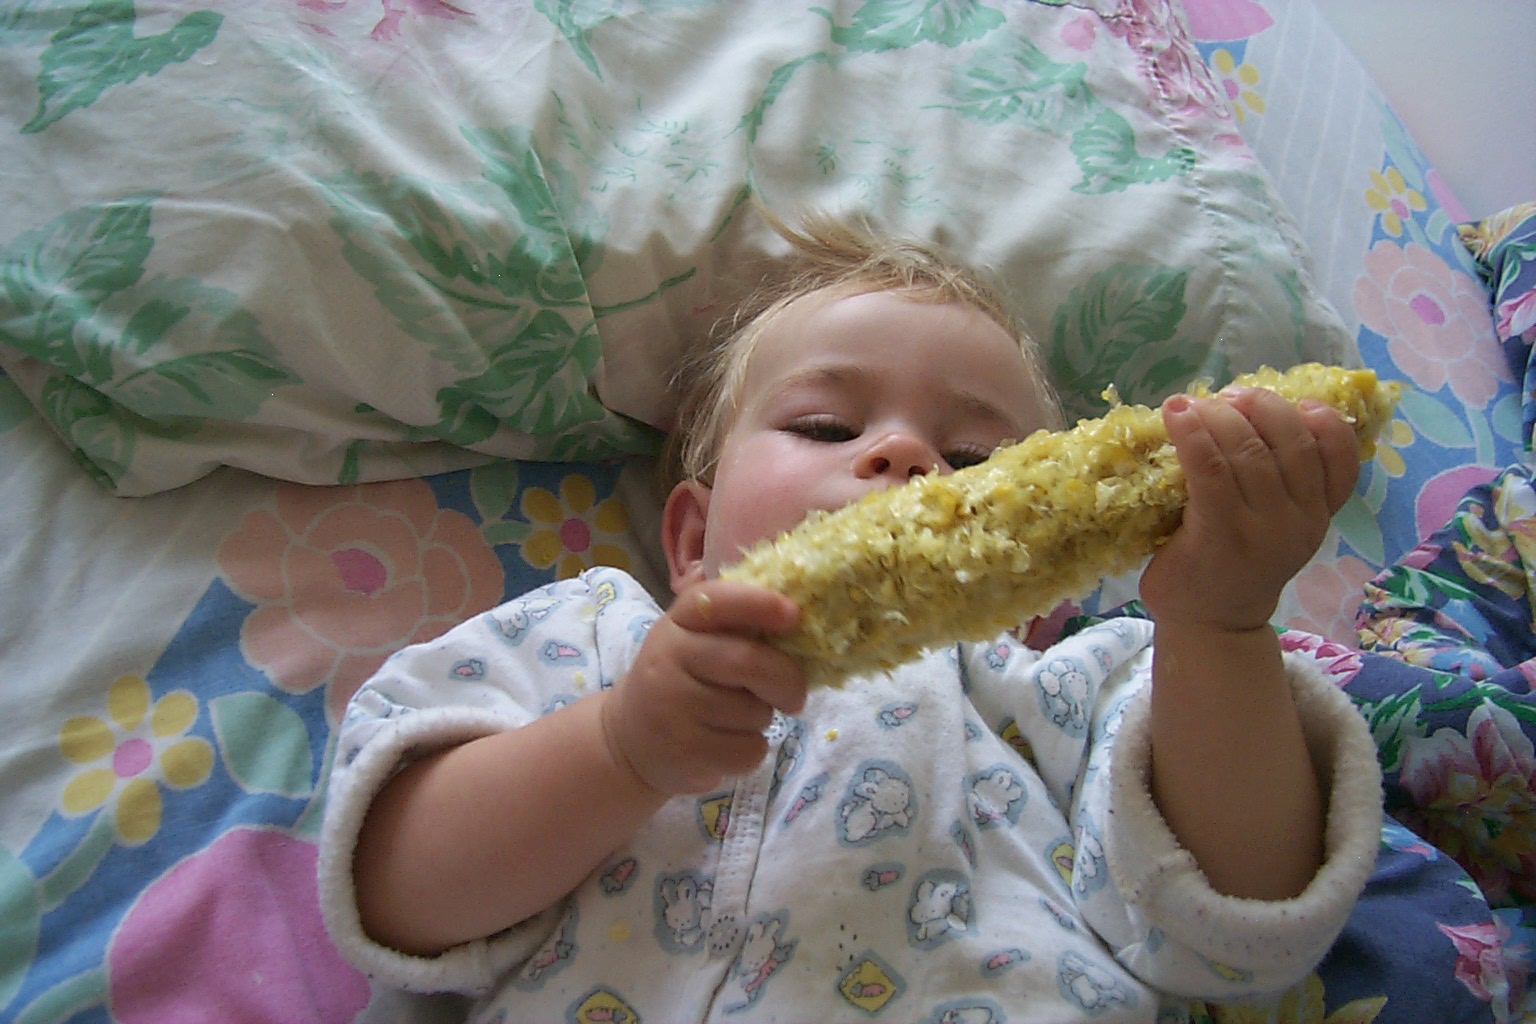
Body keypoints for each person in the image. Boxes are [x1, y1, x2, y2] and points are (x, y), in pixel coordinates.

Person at [318, 213, 1383, 1022]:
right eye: (827, 424)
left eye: (974, 459)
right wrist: (617, 747)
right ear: (691, 539)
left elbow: (1245, 922)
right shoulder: (593, 640)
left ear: (1050, 599)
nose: (906, 457)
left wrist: (1221, 626)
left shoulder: (1078, 689)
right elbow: (396, 893)